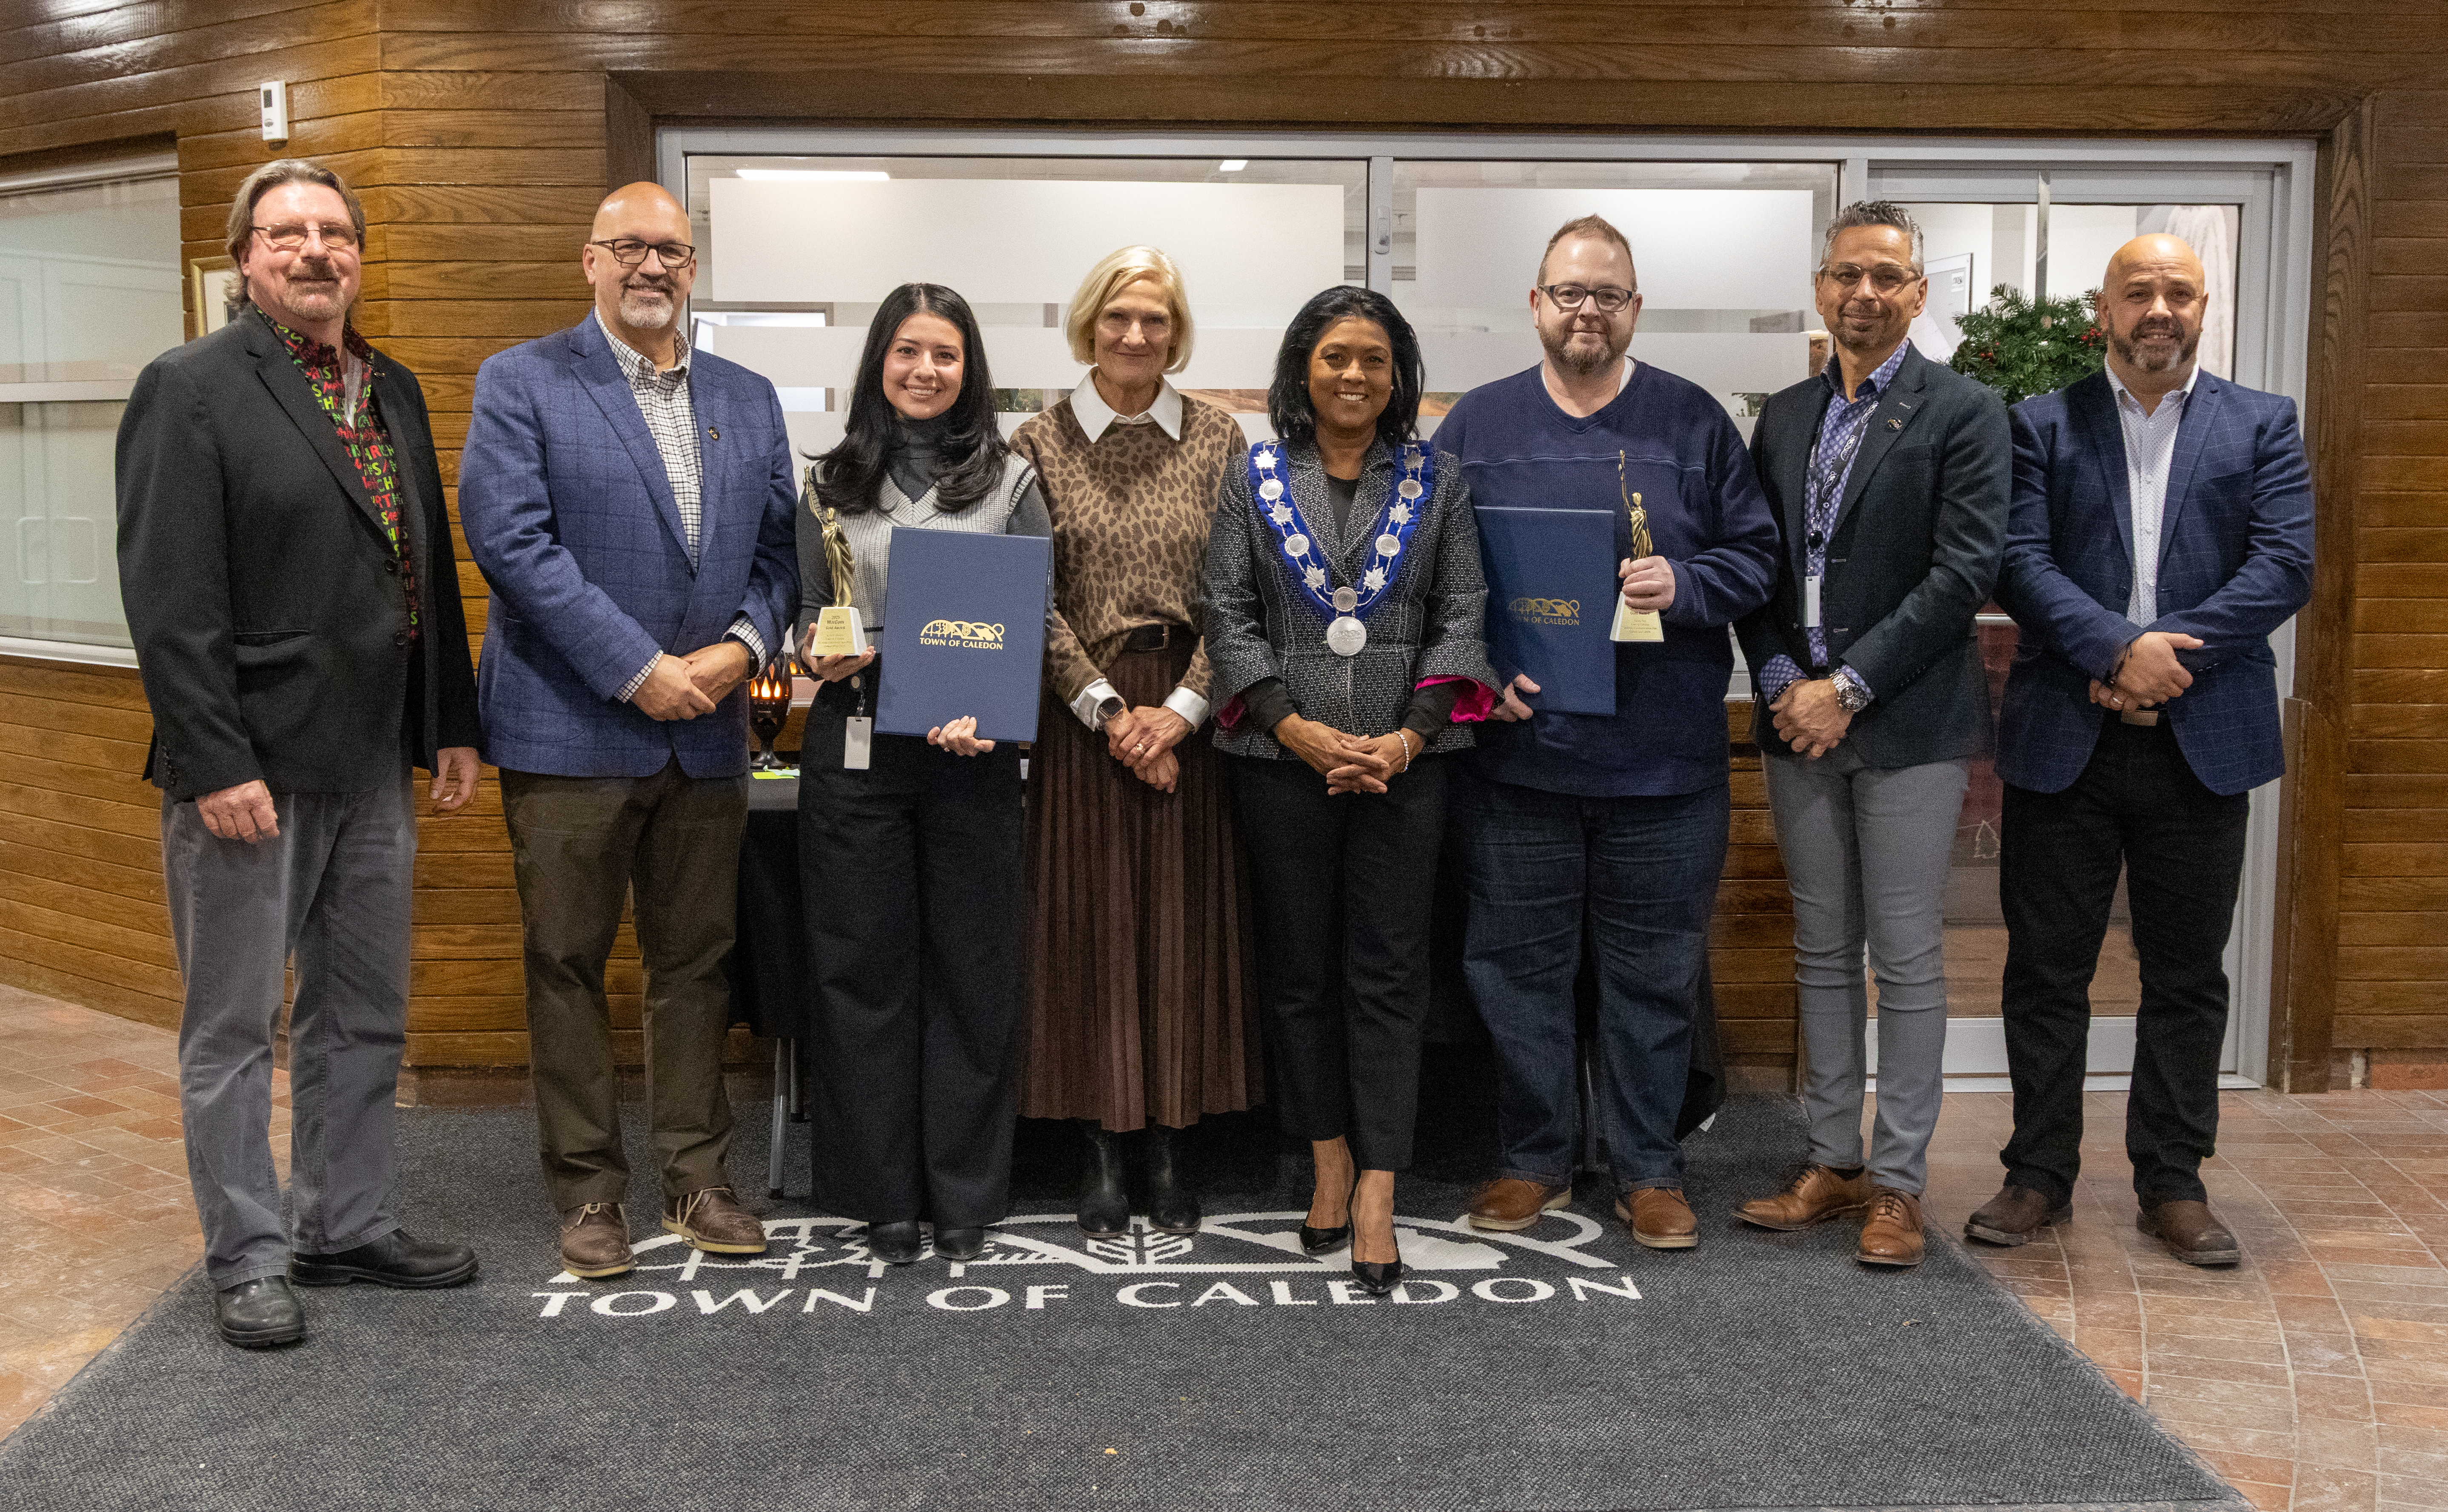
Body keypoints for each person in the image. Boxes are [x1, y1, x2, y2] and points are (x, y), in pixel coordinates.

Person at [116, 159, 483, 1347]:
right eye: (288, 234)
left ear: (360, 258)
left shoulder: (396, 389)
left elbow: (421, 570)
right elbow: (170, 600)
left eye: (335, 233)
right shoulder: (191, 389)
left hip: (374, 761)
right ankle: (248, 1254)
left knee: (364, 1012)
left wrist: (450, 724)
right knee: (232, 1028)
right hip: (248, 774)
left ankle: (348, 1225)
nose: (316, 250)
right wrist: (216, 760)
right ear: (245, 259)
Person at [458, 182, 799, 1280]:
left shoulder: (747, 399)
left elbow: (780, 556)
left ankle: (699, 1177)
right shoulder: (524, 381)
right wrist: (635, 667)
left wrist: (744, 647)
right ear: (591, 261)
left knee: (695, 964)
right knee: (565, 962)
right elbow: (512, 542)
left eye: (673, 252)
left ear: (692, 269)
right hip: (568, 727)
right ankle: (588, 1190)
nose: (653, 267)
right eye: (631, 248)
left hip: (706, 734)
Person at [1439, 214, 1780, 1250]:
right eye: (1569, 292)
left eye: (1609, 294)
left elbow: (1759, 560)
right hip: (1519, 756)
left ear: (1635, 308)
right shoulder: (1476, 427)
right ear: (1536, 305)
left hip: (1666, 762)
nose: (1588, 311)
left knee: (1655, 970)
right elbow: (1437, 581)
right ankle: (1533, 1155)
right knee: (1516, 965)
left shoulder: (1696, 423)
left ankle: (1649, 1166)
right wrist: (1477, 677)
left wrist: (1687, 581)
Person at [1975, 234, 2313, 1265]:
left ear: (2205, 304)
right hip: (2065, 738)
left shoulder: (2263, 424)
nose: (2158, 307)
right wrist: (2119, 647)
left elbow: (2285, 565)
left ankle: (2173, 1178)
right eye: (2138, 292)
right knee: (2045, 969)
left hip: (2201, 741)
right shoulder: (2040, 423)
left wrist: (2166, 661)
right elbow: (2017, 560)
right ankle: (2039, 1171)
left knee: (2185, 974)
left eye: (2178, 290)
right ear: (2105, 307)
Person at [1730, 202, 2011, 1268]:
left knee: (1905, 953)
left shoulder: (1965, 411)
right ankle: (1831, 1158)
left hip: (1907, 720)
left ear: (1919, 293)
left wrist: (1844, 686)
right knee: (1819, 947)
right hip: (1798, 721)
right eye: (1849, 274)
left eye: (1889, 276)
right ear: (1821, 287)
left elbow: (1963, 574)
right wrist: (1779, 680)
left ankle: (1897, 1180)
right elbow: (1758, 563)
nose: (1867, 293)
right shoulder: (1788, 413)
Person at [1203, 285, 1495, 1296]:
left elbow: (1463, 615)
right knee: (1298, 972)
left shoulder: (1438, 479)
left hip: (1406, 771)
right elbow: (1228, 614)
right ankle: (1324, 1155)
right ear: (1302, 369)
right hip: (1282, 764)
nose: (1354, 376)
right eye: (1335, 357)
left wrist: (1408, 740)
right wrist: (1292, 724)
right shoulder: (1255, 478)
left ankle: (1378, 1182)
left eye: (1373, 359)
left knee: (1387, 977)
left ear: (1397, 374)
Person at [797, 283, 1053, 1265]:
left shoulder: (1011, 481)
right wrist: (819, 652)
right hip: (856, 750)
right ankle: (882, 1193)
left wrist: (988, 714)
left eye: (945, 354)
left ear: (969, 369)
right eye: (908, 351)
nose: (924, 370)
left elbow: (1028, 624)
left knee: (971, 974)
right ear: (879, 362)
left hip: (969, 759)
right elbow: (806, 610)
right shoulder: (826, 483)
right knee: (863, 974)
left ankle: (964, 1190)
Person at [1012, 247, 1258, 1238]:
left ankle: (1169, 1143)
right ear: (1088, 325)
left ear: (1176, 331)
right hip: (1085, 721)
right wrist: (1113, 713)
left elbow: (1245, 595)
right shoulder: (1035, 440)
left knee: (1178, 934)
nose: (1136, 336)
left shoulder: (1220, 439)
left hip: (1193, 720)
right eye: (1118, 317)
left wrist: (1185, 709)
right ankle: (1102, 1145)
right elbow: (1029, 597)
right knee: (1090, 935)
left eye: (1155, 319)